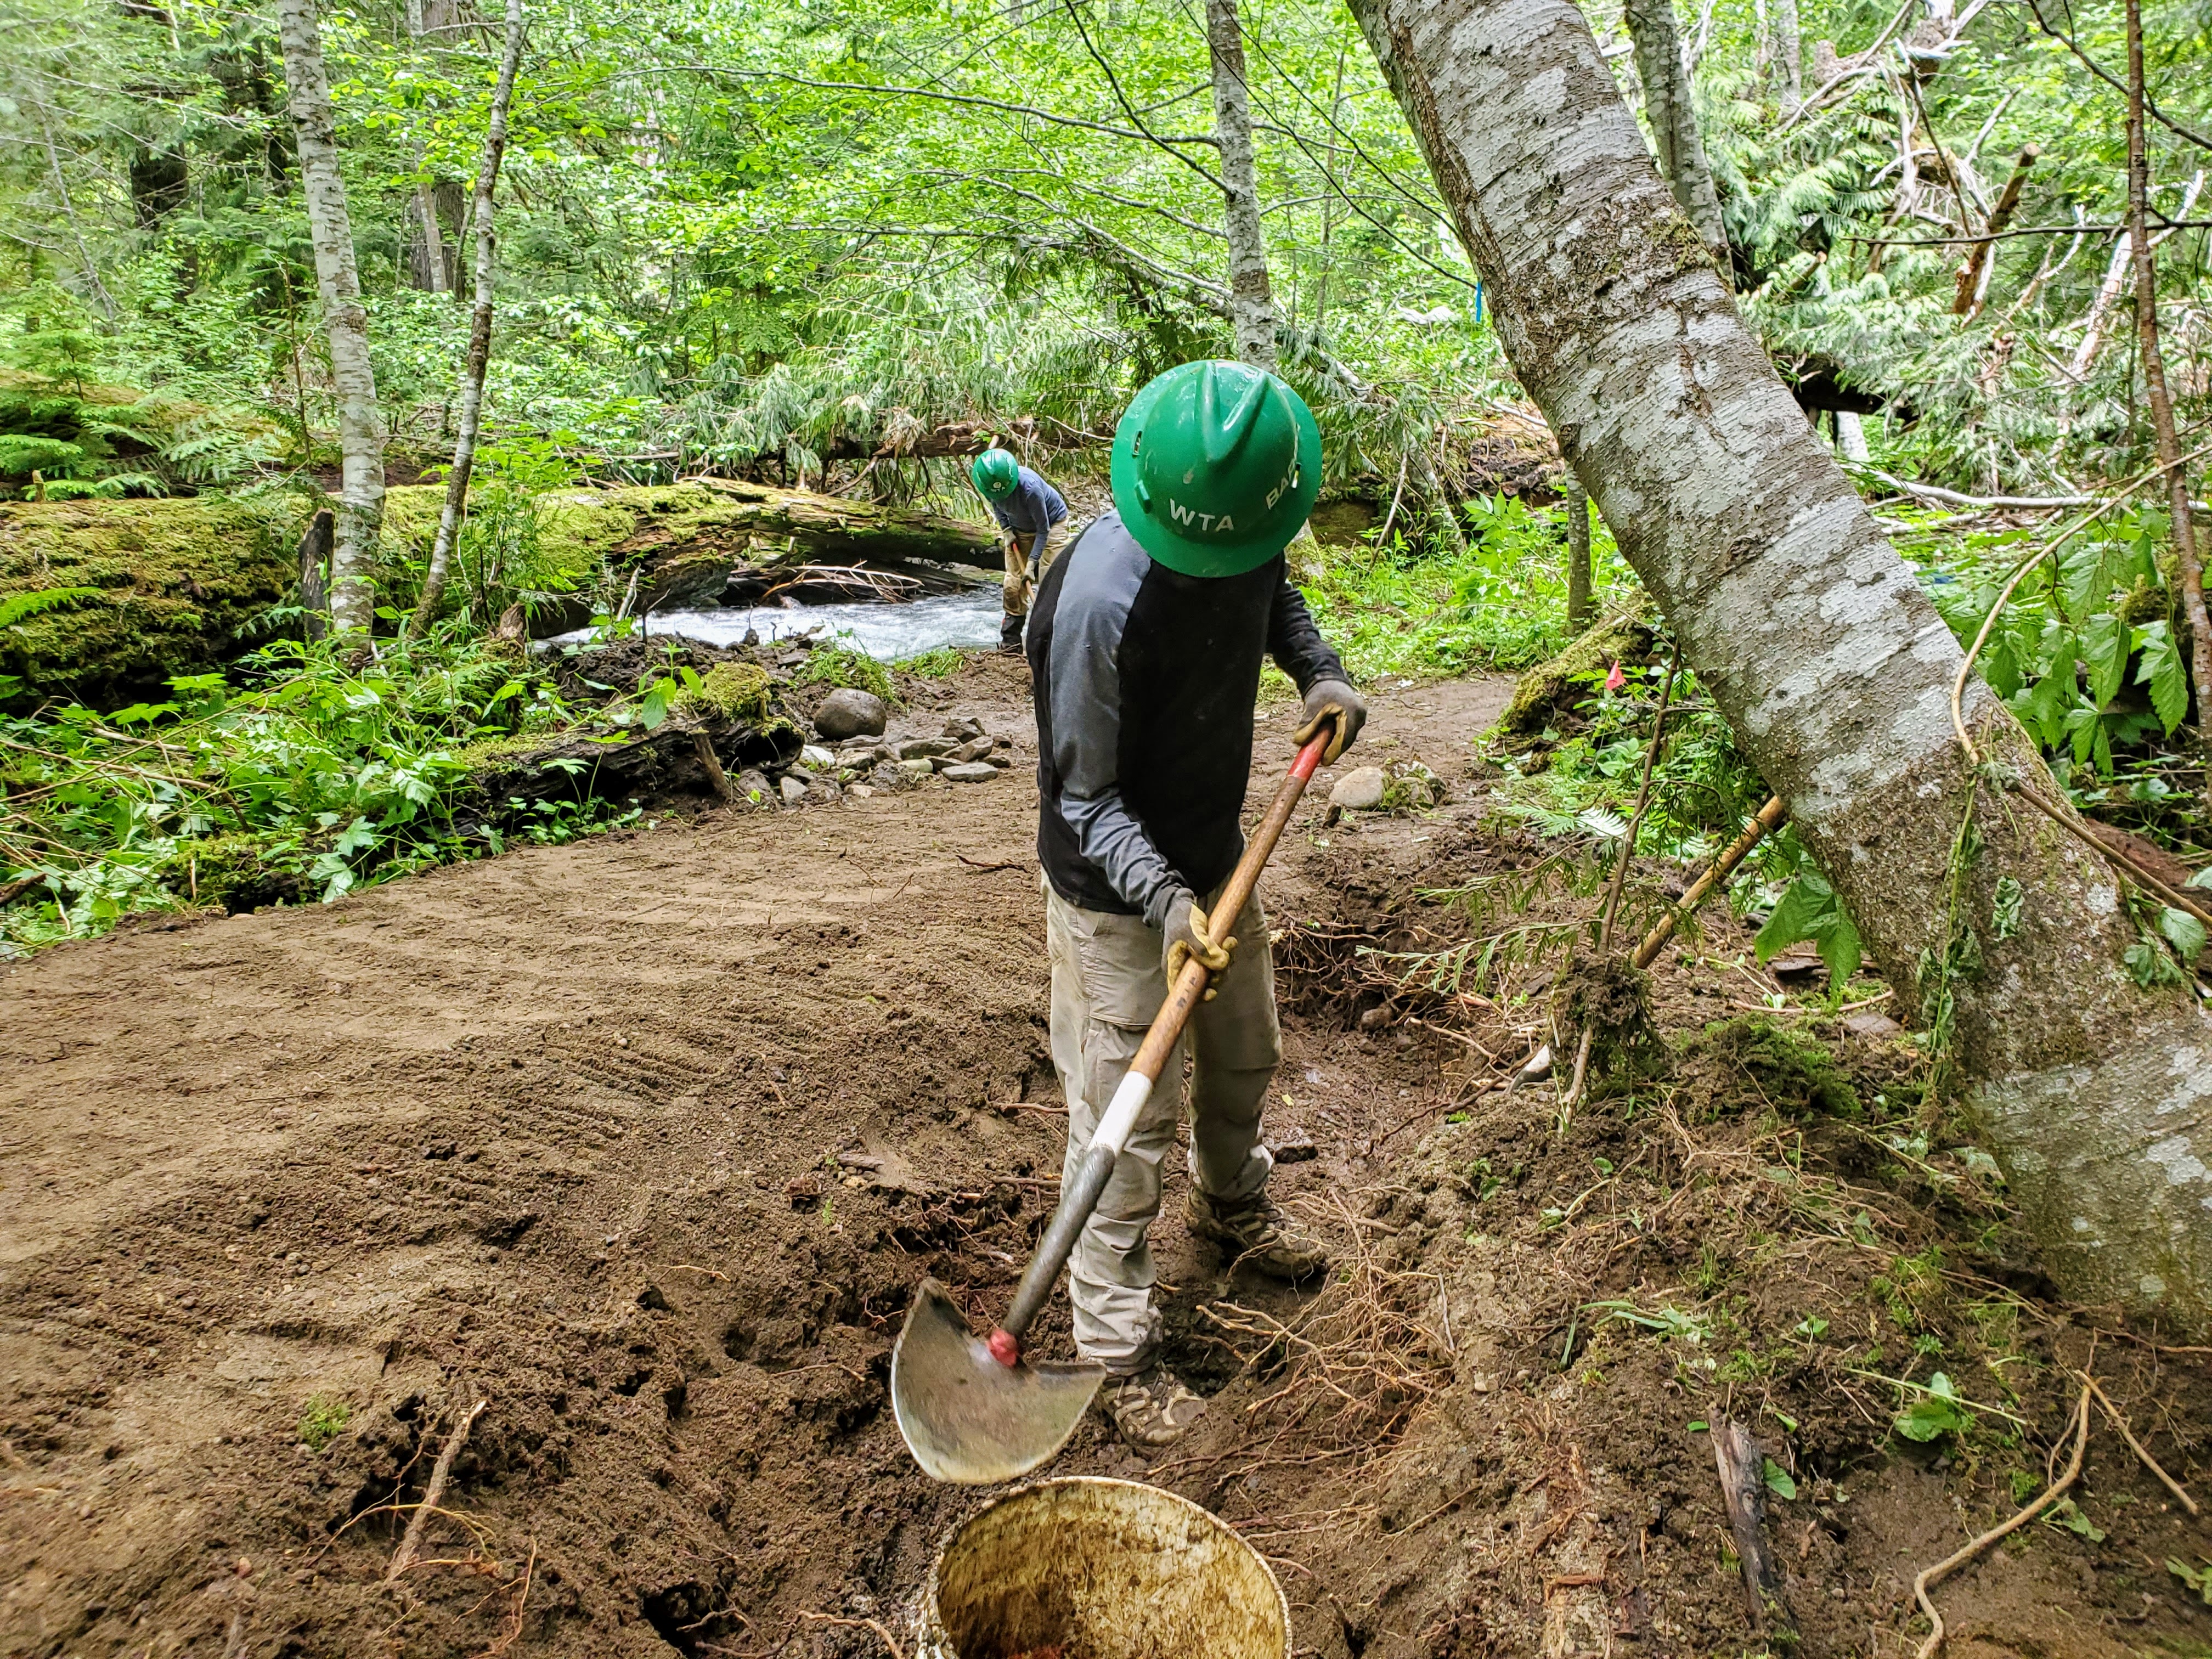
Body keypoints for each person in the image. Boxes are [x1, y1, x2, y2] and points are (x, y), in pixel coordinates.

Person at [1024, 360, 1368, 1449]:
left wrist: (1317, 673)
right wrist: (1168, 905)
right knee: (1126, 1120)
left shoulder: (1248, 519)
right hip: (1117, 892)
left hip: (1219, 856)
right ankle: (1115, 1348)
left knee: (1243, 1050)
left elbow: (1276, 599)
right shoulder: (1094, 605)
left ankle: (1234, 1212)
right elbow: (1084, 795)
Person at [972, 448, 1070, 654]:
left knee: (1049, 582)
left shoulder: (1030, 488)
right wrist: (1006, 529)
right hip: (1019, 529)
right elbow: (997, 505)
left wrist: (1032, 563)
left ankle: (1051, 642)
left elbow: (1044, 530)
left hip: (1052, 525)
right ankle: (1012, 641)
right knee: (1013, 585)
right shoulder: (988, 485)